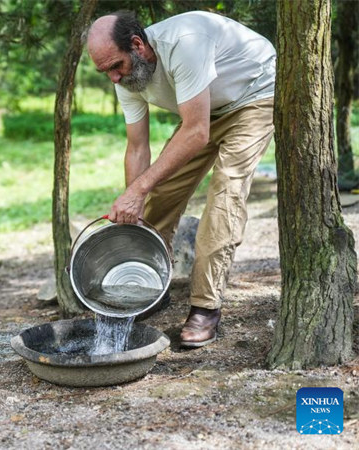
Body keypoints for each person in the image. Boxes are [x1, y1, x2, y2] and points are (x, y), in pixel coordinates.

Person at [84, 10, 276, 347]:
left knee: (225, 196)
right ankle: (147, 288)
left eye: (115, 66)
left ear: (138, 45)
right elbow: (137, 146)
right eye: (105, 72)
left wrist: (139, 187)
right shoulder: (127, 77)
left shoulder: (184, 43)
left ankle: (206, 306)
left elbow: (197, 132)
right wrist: (136, 198)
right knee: (159, 197)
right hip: (202, 112)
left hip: (253, 96)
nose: (113, 78)